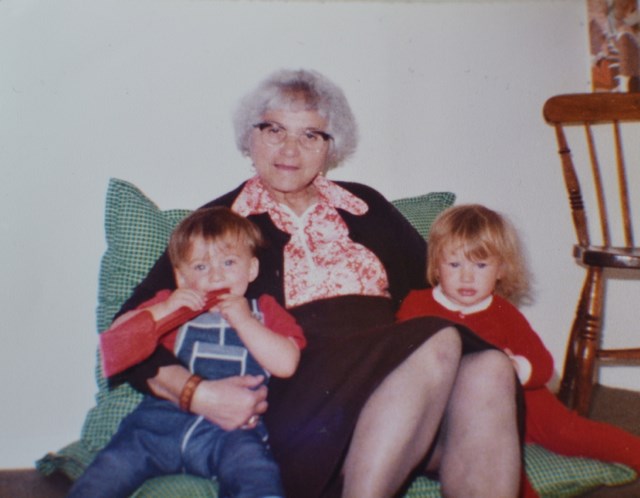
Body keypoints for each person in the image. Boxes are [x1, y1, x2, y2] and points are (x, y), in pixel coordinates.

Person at [109, 69, 523, 498]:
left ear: (330, 148)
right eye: (274, 130)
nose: (290, 149)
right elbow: (128, 331)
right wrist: (198, 394)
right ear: (248, 138)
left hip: (395, 389)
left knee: (489, 368)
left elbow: (438, 290)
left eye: (311, 135)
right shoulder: (218, 226)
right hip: (301, 393)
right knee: (436, 344)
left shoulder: (366, 206)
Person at [397, 203, 640, 498]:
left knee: (571, 433)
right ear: (436, 265)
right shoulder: (417, 305)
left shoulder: (503, 312)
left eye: (481, 265)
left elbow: (543, 365)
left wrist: (518, 368)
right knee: (495, 460)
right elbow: (400, 359)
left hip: (527, 402)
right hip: (464, 416)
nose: (467, 278)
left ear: (501, 270)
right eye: (455, 264)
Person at [69, 207, 306, 498]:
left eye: (229, 262)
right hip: (158, 424)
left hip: (231, 432)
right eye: (201, 267)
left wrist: (244, 322)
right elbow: (117, 340)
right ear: (181, 278)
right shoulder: (174, 305)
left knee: (257, 472)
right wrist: (164, 309)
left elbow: (286, 363)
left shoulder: (264, 309)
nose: (216, 275)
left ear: (252, 269)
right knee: (109, 470)